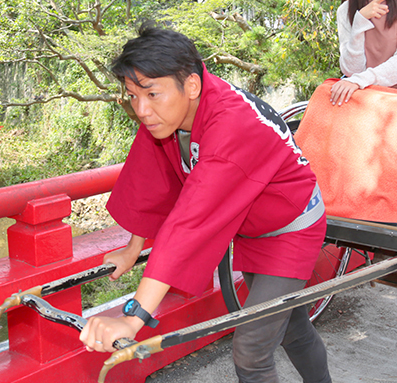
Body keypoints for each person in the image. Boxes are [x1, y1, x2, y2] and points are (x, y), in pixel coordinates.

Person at [79, 23, 332, 383]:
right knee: (292, 327)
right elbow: (148, 181)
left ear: (191, 85)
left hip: (291, 227)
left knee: (252, 352)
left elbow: (188, 223)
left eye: (151, 94)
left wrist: (133, 317)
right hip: (252, 226)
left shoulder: (232, 127)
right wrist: (132, 249)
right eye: (132, 96)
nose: (141, 109)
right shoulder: (171, 111)